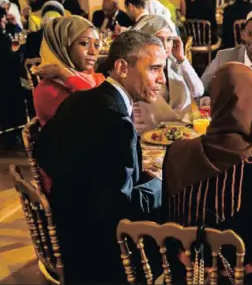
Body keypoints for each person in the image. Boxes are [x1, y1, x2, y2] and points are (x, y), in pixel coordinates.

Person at [34, 30, 165, 284]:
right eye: (154, 69)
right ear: (122, 68)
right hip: (100, 257)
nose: (162, 79)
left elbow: (43, 152)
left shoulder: (79, 99)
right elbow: (120, 208)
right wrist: (159, 183)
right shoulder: (116, 121)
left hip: (68, 233)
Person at [162, 62, 252, 284]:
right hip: (245, 279)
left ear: (214, 103)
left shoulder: (176, 152)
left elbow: (167, 225)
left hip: (185, 276)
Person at [132, 15, 204, 132]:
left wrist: (181, 58)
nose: (165, 46)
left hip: (183, 130)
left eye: (169, 39)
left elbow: (198, 91)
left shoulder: (176, 63)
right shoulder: (137, 69)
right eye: (159, 40)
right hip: (151, 133)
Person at [32, 16, 105, 126]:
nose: (93, 51)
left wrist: (63, 73)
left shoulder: (96, 78)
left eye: (96, 45)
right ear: (64, 47)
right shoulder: (46, 91)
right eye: (84, 43)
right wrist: (63, 73)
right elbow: (96, 114)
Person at [0, 4, 27, 149]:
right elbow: (10, 64)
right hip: (2, 87)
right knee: (24, 90)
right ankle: (18, 134)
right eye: (3, 20)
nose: (5, 22)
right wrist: (19, 52)